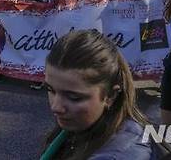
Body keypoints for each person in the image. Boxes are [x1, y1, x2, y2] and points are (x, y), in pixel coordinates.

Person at [41, 29, 151, 159]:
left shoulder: (119, 155)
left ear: (111, 96)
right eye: (50, 90)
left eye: (74, 97)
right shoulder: (85, 126)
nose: (56, 107)